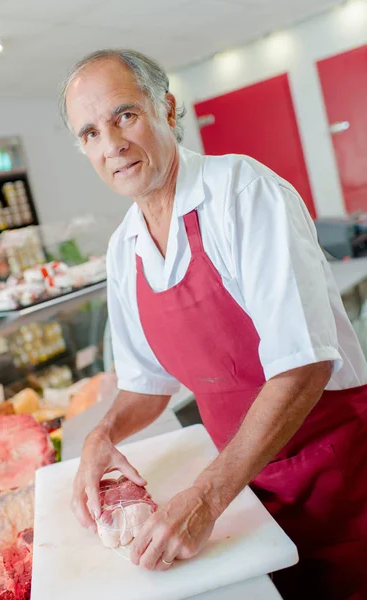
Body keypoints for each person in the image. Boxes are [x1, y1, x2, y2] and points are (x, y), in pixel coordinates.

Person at [60, 48, 367, 599]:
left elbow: (304, 366)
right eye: (90, 133)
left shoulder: (243, 194)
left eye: (124, 115)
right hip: (243, 487)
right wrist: (103, 435)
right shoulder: (121, 249)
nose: (112, 145)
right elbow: (146, 385)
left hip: (333, 472)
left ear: (168, 110)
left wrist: (204, 498)